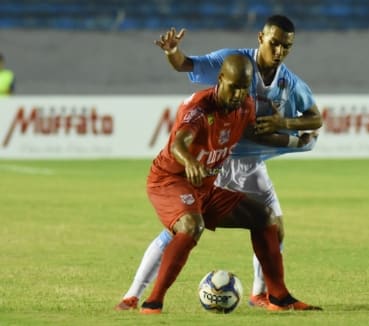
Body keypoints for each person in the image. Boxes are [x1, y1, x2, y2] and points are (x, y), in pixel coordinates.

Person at [115, 15, 322, 310]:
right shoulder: (202, 101)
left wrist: (297, 141)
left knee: (268, 220)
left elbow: (260, 132)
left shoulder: (256, 99)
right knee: (186, 226)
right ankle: (144, 299)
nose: (239, 95)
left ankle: (273, 296)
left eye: (285, 47)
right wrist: (173, 53)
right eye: (274, 43)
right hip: (181, 177)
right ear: (260, 38)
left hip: (227, 173)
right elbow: (178, 143)